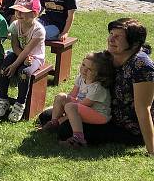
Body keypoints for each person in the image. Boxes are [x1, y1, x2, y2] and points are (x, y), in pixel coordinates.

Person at [38, 18, 154, 152]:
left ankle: (78, 139)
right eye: (111, 34)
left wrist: (151, 150)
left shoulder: (142, 66)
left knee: (66, 129)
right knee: (46, 116)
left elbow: (143, 108)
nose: (111, 39)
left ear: (134, 44)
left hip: (126, 126)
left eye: (118, 37)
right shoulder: (108, 57)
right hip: (100, 109)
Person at [41, 52, 113, 146]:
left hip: (99, 115)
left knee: (70, 107)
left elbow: (84, 105)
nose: (84, 70)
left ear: (99, 74)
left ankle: (78, 138)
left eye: (90, 69)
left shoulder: (97, 88)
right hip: (81, 108)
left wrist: (64, 118)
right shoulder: (81, 78)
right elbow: (72, 95)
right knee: (61, 96)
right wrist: (62, 105)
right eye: (83, 65)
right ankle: (54, 122)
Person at [0, 0, 47, 121]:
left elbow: (28, 50)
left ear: (34, 14)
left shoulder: (39, 30)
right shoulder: (15, 25)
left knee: (24, 72)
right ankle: (3, 99)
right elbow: (15, 46)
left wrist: (16, 65)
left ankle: (20, 104)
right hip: (19, 53)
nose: (18, 14)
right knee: (4, 66)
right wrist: (17, 62)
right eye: (17, 10)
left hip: (35, 57)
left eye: (22, 12)